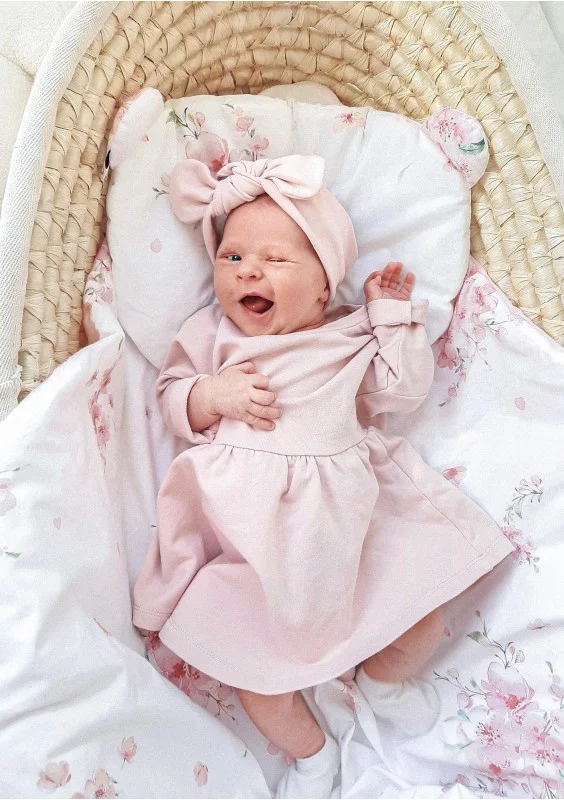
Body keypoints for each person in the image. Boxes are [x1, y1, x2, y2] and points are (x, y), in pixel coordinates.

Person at [132, 155, 513, 798]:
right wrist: (213, 395)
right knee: (252, 672)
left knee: (424, 617)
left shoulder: (347, 333)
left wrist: (388, 318)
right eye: (231, 257)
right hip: (253, 545)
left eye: (276, 259)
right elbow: (171, 395)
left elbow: (402, 393)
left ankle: (383, 683)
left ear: (323, 287)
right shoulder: (211, 334)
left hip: (346, 531)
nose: (247, 270)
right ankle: (310, 754)